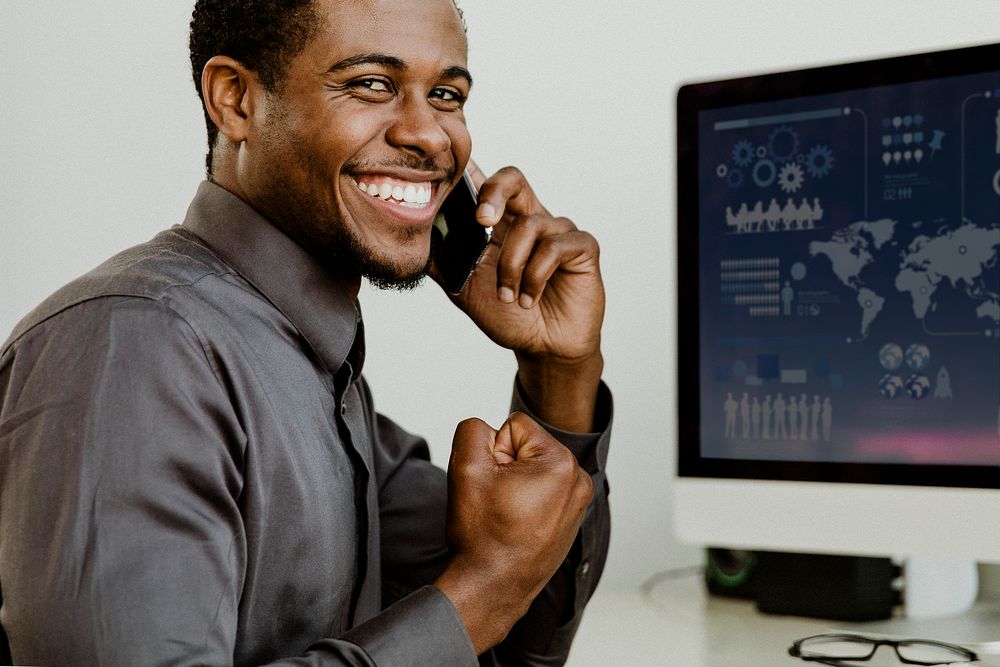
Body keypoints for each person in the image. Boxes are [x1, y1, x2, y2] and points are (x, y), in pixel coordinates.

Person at [0, 0, 612, 664]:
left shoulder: (317, 374)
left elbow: (513, 638)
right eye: (372, 84)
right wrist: (479, 592)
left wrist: (559, 369)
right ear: (235, 100)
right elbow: (483, 602)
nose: (433, 137)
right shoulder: (135, 349)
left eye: (445, 95)